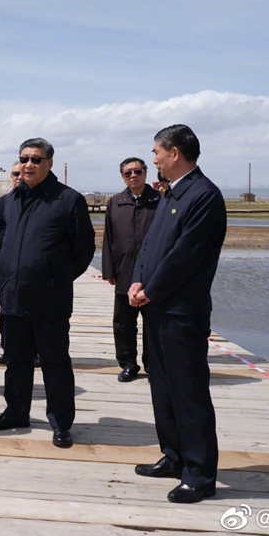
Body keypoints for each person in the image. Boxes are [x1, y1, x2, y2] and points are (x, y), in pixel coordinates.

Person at [129, 124, 226, 504]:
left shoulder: (203, 196)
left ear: (174, 153)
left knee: (188, 392)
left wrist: (150, 290)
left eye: (156, 152)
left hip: (182, 312)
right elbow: (150, 245)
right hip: (156, 308)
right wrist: (138, 280)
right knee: (163, 387)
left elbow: (185, 256)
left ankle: (199, 474)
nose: (153, 159)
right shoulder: (172, 193)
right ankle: (174, 456)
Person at [0, 138, 95, 448]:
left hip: (50, 299)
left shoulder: (68, 200)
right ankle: (16, 412)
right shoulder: (6, 203)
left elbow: (83, 250)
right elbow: (4, 241)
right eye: (24, 159)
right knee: (16, 360)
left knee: (54, 362)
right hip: (13, 296)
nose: (29, 165)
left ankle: (60, 422)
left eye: (36, 159)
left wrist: (54, 277)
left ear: (49, 163)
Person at [102, 157, 160, 382]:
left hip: (153, 273)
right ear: (123, 177)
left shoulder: (160, 200)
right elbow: (108, 238)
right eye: (128, 173)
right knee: (123, 323)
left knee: (153, 323)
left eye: (137, 171)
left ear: (145, 173)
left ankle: (153, 365)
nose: (133, 175)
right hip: (124, 270)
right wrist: (109, 270)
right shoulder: (116, 202)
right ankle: (128, 364)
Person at [0, 162, 21, 365]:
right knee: (7, 310)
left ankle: (34, 351)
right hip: (7, 265)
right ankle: (8, 348)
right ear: (10, 177)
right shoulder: (1, 203)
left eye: (22, 173)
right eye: (15, 174)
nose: (19, 177)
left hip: (34, 268)